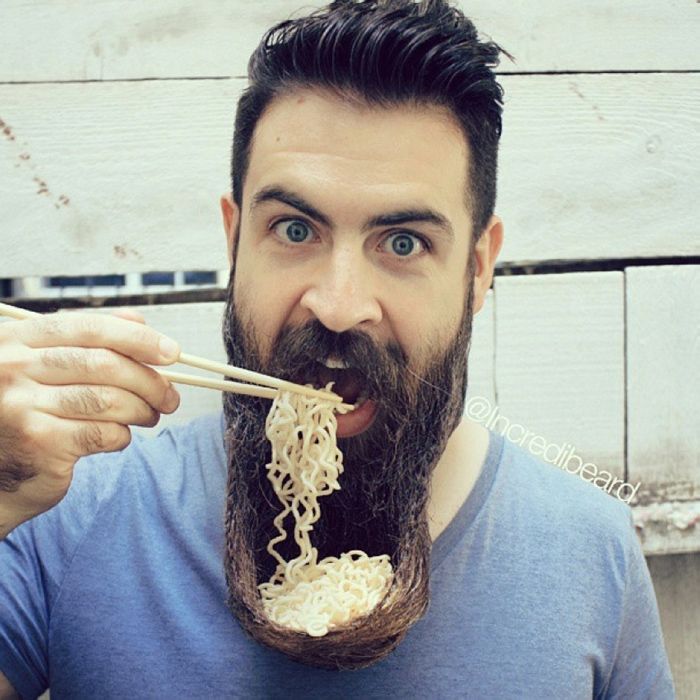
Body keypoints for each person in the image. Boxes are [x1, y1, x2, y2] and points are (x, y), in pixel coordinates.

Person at [0, 0, 674, 697]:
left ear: (477, 270)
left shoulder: (591, 554)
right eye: (295, 230)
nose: (339, 302)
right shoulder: (68, 509)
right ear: (235, 241)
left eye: (404, 242)